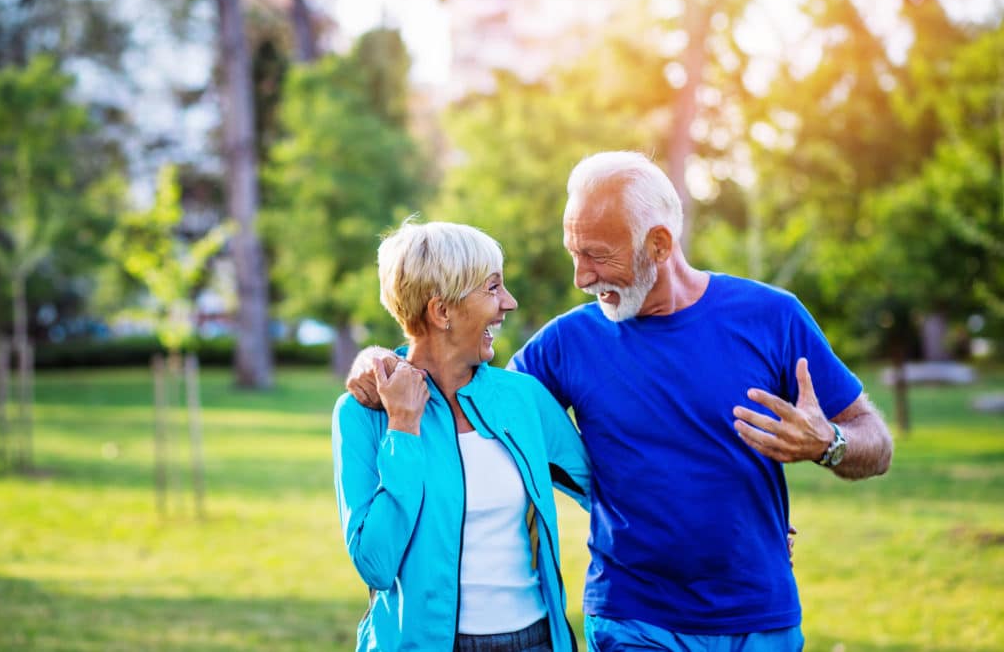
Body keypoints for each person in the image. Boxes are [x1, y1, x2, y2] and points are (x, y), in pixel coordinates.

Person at [347, 151, 894, 651]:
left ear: (658, 244)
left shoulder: (773, 316)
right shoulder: (568, 344)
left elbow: (877, 443)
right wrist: (377, 360)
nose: (582, 277)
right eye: (574, 254)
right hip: (633, 617)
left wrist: (830, 444)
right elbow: (470, 396)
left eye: (597, 256)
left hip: (760, 613)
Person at [332, 220, 591, 652]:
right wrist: (403, 428)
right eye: (492, 288)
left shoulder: (522, 398)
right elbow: (375, 564)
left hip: (535, 641)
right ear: (442, 312)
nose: (508, 302)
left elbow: (608, 487)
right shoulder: (364, 415)